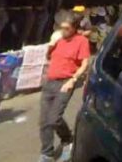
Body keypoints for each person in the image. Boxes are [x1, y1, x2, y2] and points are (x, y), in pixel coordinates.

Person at [39, 16, 91, 162]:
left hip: (65, 82)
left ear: (74, 28)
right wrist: (51, 44)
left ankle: (67, 139)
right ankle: (46, 153)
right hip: (50, 81)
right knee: (44, 121)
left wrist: (73, 79)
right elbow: (49, 57)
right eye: (61, 28)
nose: (64, 31)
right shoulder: (58, 39)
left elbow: (85, 63)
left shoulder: (81, 41)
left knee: (54, 118)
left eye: (67, 28)